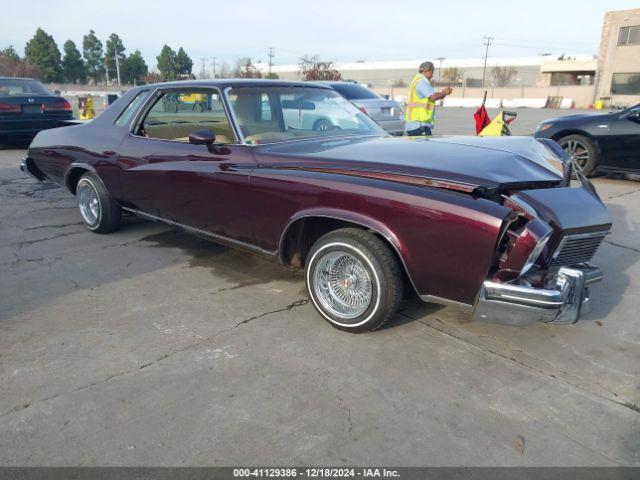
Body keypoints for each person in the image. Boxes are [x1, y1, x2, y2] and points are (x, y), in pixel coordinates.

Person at [405, 61, 453, 136]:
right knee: (425, 147)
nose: (432, 76)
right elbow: (433, 97)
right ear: (427, 71)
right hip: (419, 125)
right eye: (432, 72)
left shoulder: (416, 80)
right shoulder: (421, 82)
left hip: (414, 124)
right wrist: (444, 92)